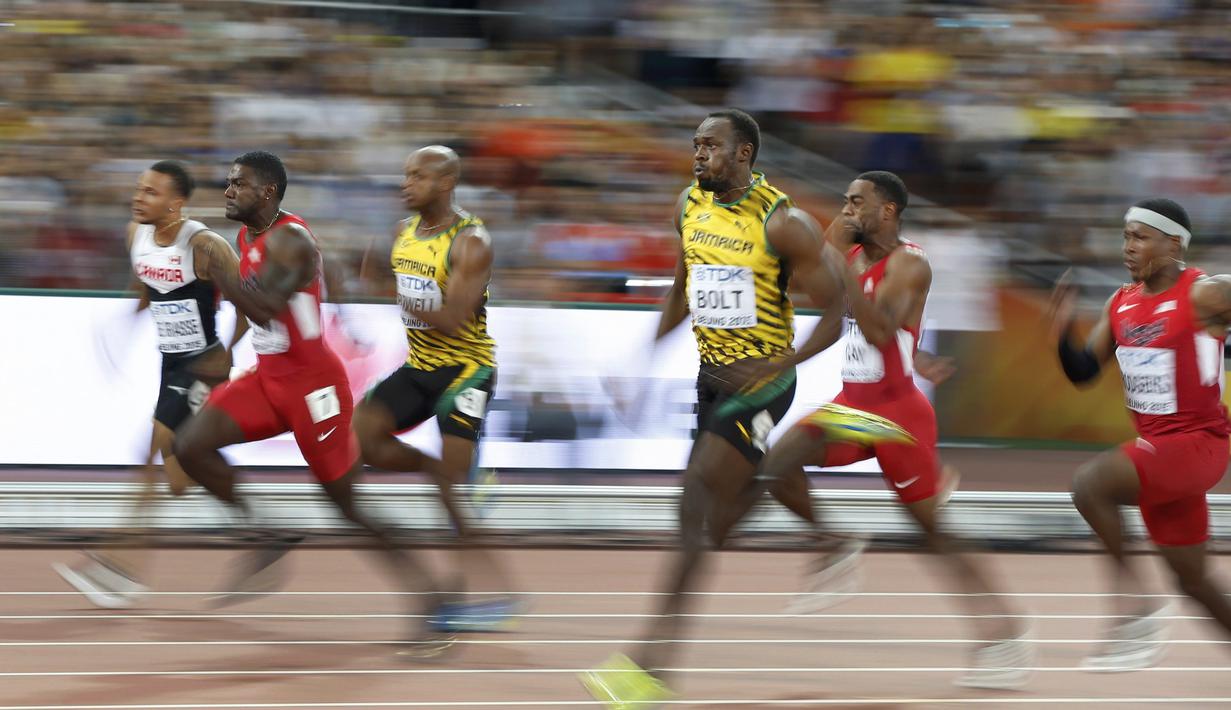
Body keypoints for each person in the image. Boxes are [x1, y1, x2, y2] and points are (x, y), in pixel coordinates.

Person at [581, 109, 896, 707]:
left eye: (711, 147)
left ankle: (649, 668)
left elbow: (837, 311)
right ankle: (829, 540)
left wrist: (783, 364)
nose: (699, 156)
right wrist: (643, 358)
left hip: (762, 386)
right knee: (715, 526)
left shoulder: (786, 224)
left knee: (694, 506)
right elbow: (684, 287)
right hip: (711, 381)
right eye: (695, 145)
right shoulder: (688, 207)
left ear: (744, 153)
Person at [752, 171, 1034, 689]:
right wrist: (787, 360)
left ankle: (1003, 635)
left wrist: (837, 261)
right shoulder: (853, 253)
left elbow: (880, 330)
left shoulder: (911, 263)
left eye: (857, 202)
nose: (846, 210)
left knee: (933, 535)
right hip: (853, 406)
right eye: (845, 201)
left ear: (888, 211)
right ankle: (836, 543)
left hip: (898, 417)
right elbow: (830, 311)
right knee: (774, 462)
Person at [172, 151, 452, 654]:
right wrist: (232, 345)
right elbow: (267, 299)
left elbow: (260, 303)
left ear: (268, 193)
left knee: (346, 506)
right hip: (270, 380)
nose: (228, 191)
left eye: (238, 185)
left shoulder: (291, 239)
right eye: (228, 183)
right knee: (191, 447)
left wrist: (218, 270)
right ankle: (266, 533)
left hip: (313, 390)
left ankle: (432, 599)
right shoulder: (252, 236)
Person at [54, 160, 246, 608]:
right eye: (138, 189)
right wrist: (122, 322)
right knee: (178, 479)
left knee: (148, 453)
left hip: (201, 365)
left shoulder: (205, 244)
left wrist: (228, 352)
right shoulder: (134, 234)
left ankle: (119, 570)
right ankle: (249, 507)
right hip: (170, 362)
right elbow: (146, 288)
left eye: (151, 193)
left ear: (176, 204)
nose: (139, 198)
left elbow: (249, 302)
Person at [1051, 197, 1231, 671]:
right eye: (1125, 236)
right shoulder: (1121, 302)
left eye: (1139, 236)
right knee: (1194, 581)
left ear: (1174, 244)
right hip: (1161, 454)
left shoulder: (1205, 293)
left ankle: (1135, 612)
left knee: (1089, 486)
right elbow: (1083, 370)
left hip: (1198, 443)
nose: (1127, 247)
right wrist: (1061, 332)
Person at [353, 145, 516, 630]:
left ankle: (486, 593)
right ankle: (451, 473)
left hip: (467, 371)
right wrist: (373, 274)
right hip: (421, 366)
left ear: (445, 184)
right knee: (362, 436)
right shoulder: (404, 233)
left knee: (448, 497)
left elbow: (451, 318)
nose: (406, 184)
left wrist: (389, 289)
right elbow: (383, 283)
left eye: (417, 176)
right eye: (405, 175)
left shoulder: (472, 242)